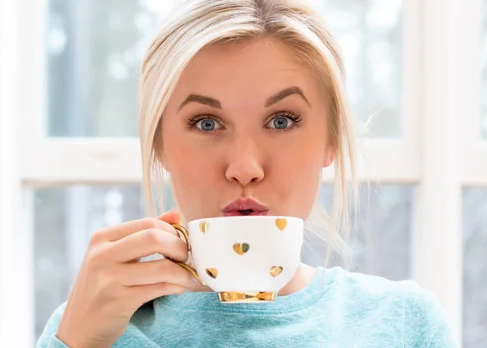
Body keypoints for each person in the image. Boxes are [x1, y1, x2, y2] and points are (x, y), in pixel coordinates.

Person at [37, 0, 457, 347]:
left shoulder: (404, 326)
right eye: (206, 123)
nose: (244, 168)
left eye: (281, 121)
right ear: (160, 145)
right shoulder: (94, 327)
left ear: (330, 140)